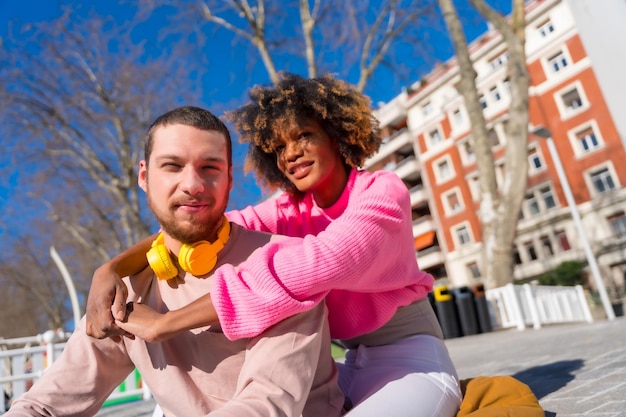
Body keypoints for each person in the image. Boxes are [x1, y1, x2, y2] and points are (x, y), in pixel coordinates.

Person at [87, 74, 462, 416]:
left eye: (303, 136)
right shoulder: (287, 210)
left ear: (336, 135)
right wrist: (111, 271)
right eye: (278, 146)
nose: (291, 153)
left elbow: (319, 263)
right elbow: (206, 226)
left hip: (411, 362)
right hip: (343, 370)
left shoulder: (381, 192)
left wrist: (168, 323)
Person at [5, 106, 343, 417]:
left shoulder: (287, 267)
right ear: (144, 176)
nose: (193, 185)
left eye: (210, 168)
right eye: (172, 166)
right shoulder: (124, 290)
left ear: (229, 181)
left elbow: (267, 406)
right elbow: (46, 403)